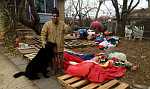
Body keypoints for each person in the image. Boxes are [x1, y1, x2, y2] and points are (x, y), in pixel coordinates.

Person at [41, 7, 69, 74]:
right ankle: (54, 69)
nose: (55, 17)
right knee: (53, 59)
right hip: (51, 46)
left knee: (61, 59)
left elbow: (67, 31)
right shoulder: (47, 24)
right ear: (51, 16)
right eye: (54, 16)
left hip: (60, 45)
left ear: (58, 16)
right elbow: (43, 34)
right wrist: (43, 42)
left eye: (56, 16)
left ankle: (61, 69)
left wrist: (68, 27)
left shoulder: (62, 24)